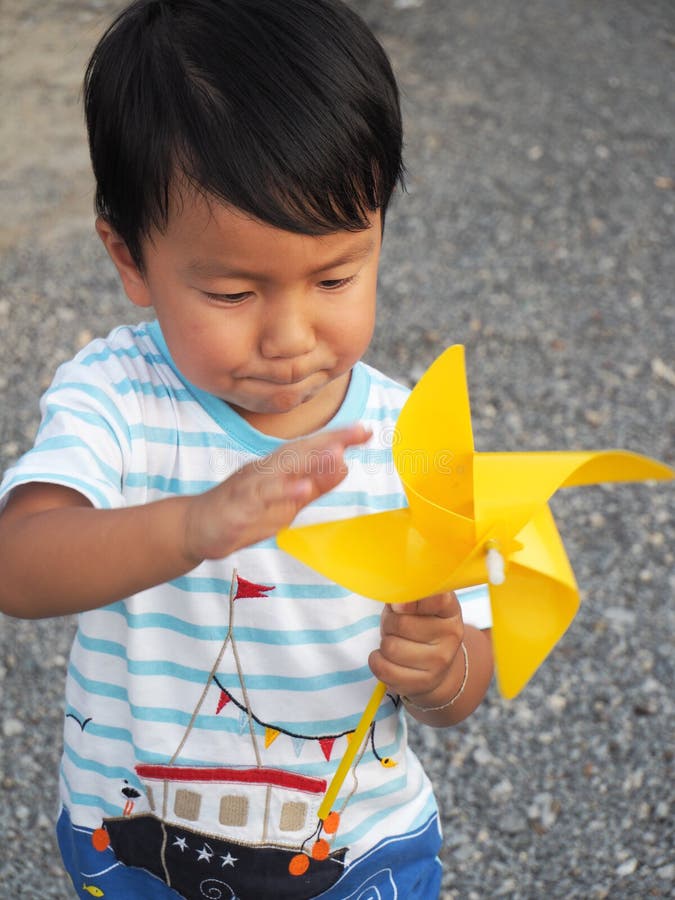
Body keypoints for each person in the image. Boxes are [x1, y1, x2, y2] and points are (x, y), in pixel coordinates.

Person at [0, 1, 494, 897]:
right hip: (138, 838)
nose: (291, 336)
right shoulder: (116, 398)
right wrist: (194, 524)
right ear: (130, 257)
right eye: (232, 291)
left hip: (359, 852)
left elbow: (465, 684)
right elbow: (18, 568)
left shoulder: (418, 437)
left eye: (337, 276)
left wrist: (441, 666)